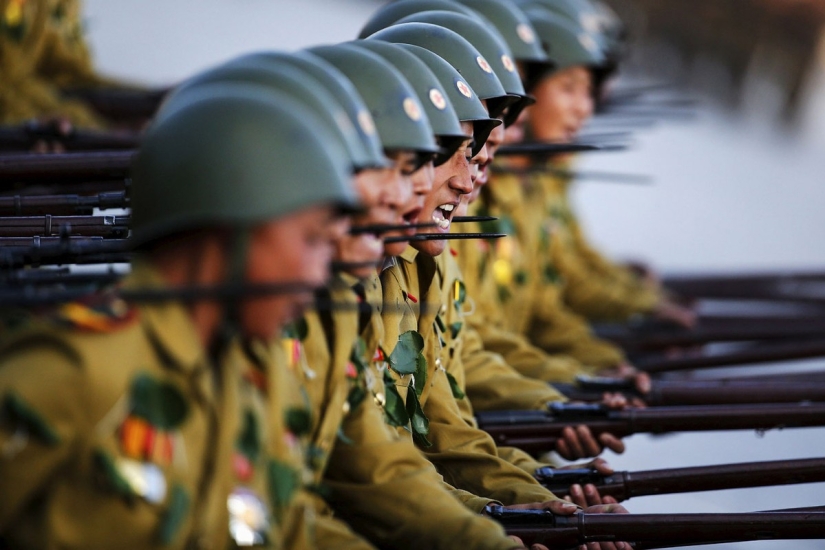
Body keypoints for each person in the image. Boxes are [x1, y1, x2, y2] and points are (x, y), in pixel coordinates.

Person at [0, 87, 357, 549]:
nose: (318, 273)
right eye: (310, 240)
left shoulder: (253, 379)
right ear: (228, 228)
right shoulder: (82, 369)